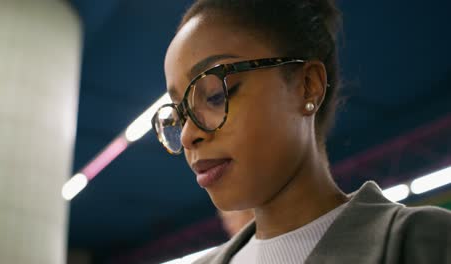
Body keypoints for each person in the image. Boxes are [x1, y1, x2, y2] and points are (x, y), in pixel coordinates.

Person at [151, 0, 451, 263]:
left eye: (215, 95)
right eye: (180, 113)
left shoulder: (429, 243)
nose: (189, 135)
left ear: (308, 86)